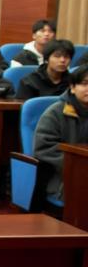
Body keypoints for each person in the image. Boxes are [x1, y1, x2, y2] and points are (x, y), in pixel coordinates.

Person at [33, 63, 88, 203]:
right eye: (84, 84)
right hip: (62, 176)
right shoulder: (55, 112)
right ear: (72, 87)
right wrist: (79, 165)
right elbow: (44, 148)